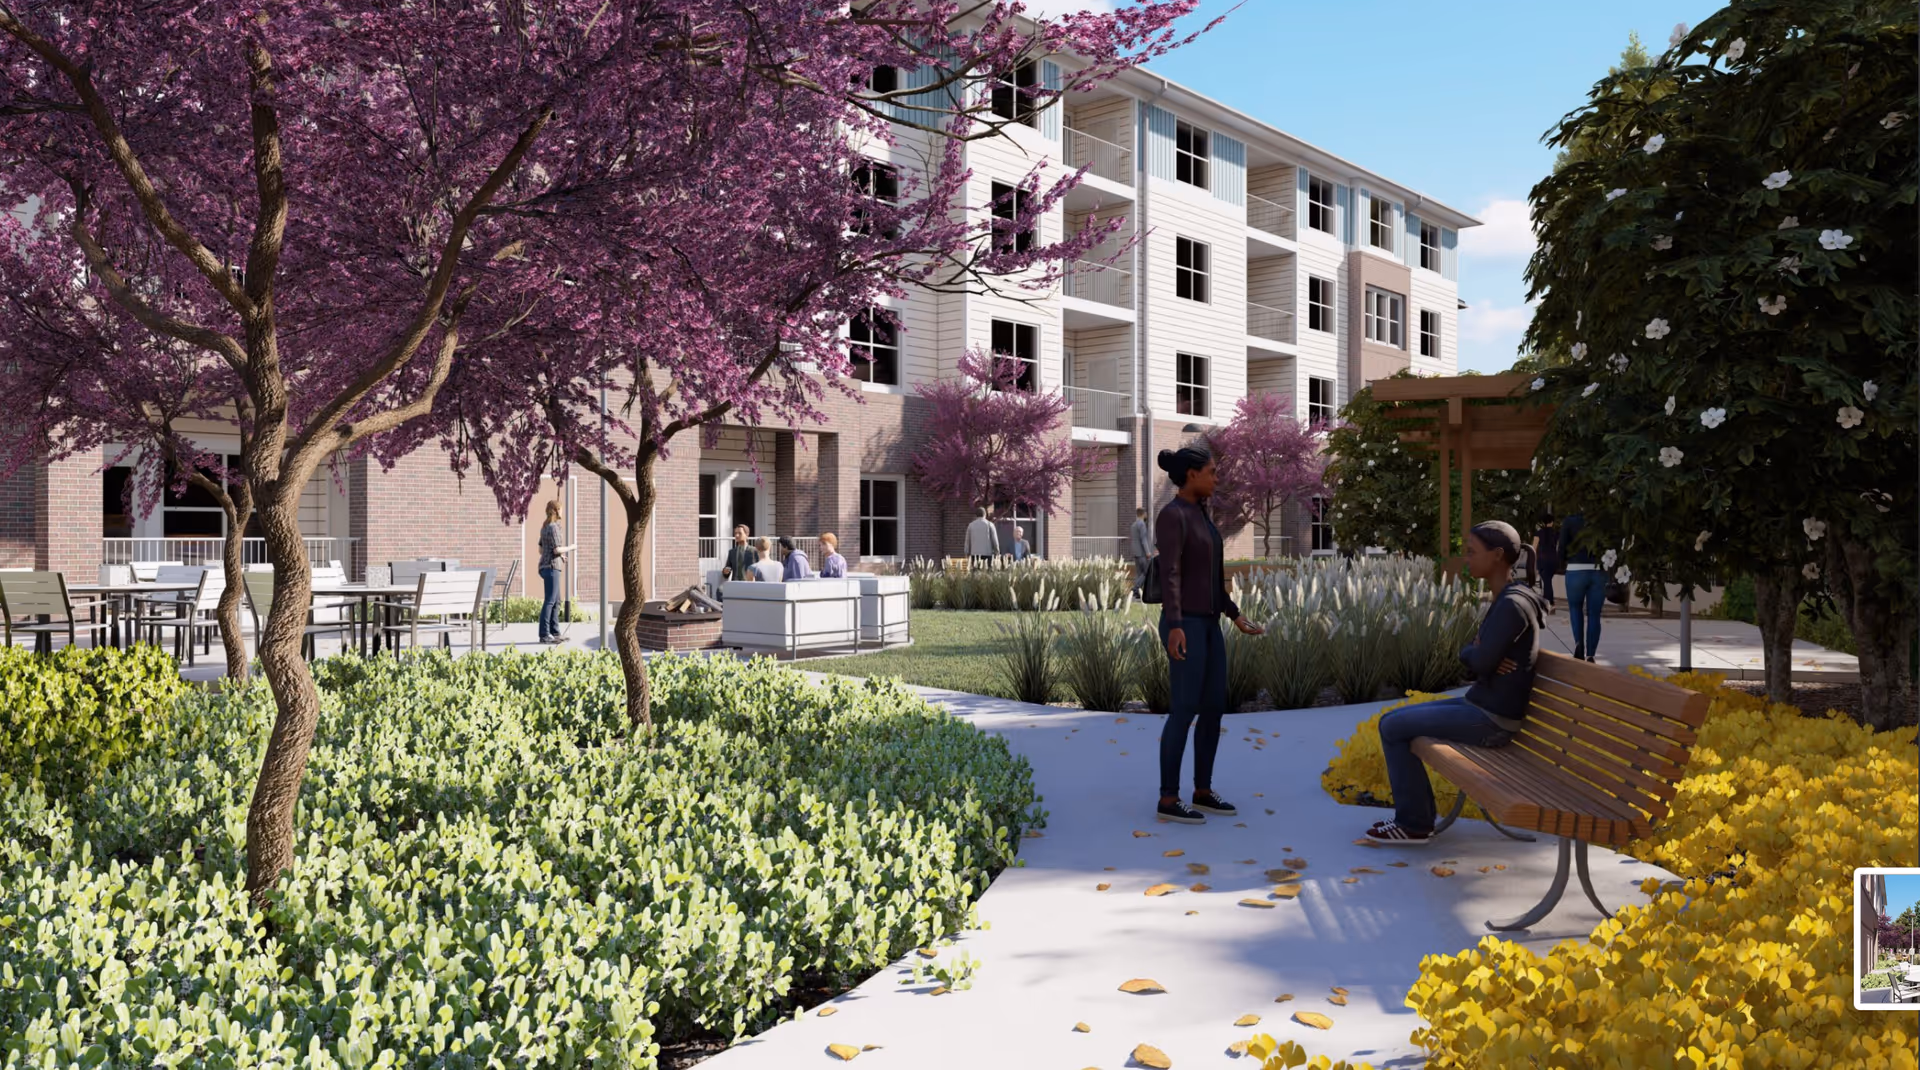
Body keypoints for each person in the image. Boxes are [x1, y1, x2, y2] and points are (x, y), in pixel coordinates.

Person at [1365, 522, 1545, 844]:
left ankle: (1414, 824)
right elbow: (1480, 660)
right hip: (1481, 705)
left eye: (1472, 552)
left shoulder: (1512, 605)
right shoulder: (1509, 597)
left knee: (1391, 727)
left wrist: (1475, 653)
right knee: (1392, 720)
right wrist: (1477, 653)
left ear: (1497, 555)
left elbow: (1479, 662)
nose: (1466, 558)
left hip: (1492, 720)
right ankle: (1416, 820)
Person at [1152, 446, 1266, 825]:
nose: (1217, 478)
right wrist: (1175, 625)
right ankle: (1168, 798)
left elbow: (1213, 579)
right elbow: (1170, 574)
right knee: (1184, 709)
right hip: (1184, 624)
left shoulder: (1202, 515)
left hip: (1210, 623)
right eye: (1212, 472)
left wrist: (1234, 614)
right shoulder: (1172, 516)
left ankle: (1203, 791)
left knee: (1214, 708)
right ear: (1192, 474)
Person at [1559, 511, 1603, 662]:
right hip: (1598, 570)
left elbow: (1562, 546)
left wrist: (1562, 563)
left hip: (1575, 569)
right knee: (1594, 614)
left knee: (1575, 608)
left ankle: (1579, 644)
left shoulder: (1570, 520)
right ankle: (1591, 654)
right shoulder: (1603, 519)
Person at [536, 499, 576, 644]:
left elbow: (541, 550)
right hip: (552, 567)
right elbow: (556, 549)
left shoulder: (545, 527)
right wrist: (571, 547)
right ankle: (544, 634)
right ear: (556, 510)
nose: (562, 511)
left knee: (556, 601)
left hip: (546, 566)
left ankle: (555, 632)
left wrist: (560, 556)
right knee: (550, 601)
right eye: (561, 509)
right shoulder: (553, 528)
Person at [1532, 510, 1559, 615]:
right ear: (1552, 522)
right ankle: (1546, 603)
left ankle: (1550, 604)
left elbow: (1533, 548)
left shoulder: (1538, 533)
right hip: (1553, 560)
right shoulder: (1556, 533)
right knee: (1548, 582)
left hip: (1542, 560)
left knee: (1547, 582)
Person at [718, 524, 756, 600]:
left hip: (749, 584)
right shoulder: (732, 552)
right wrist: (725, 571)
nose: (737, 535)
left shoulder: (754, 551)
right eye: (735, 533)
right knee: (720, 590)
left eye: (740, 533)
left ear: (747, 534)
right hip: (735, 583)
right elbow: (727, 571)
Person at [1130, 506, 1154, 596]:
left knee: (1139, 573)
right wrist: (1148, 552)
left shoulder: (1133, 525)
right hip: (1142, 553)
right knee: (1146, 572)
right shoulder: (1142, 524)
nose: (1146, 515)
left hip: (1135, 552)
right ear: (1143, 514)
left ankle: (1137, 593)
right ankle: (1135, 589)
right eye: (1146, 513)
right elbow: (1143, 539)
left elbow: (1134, 540)